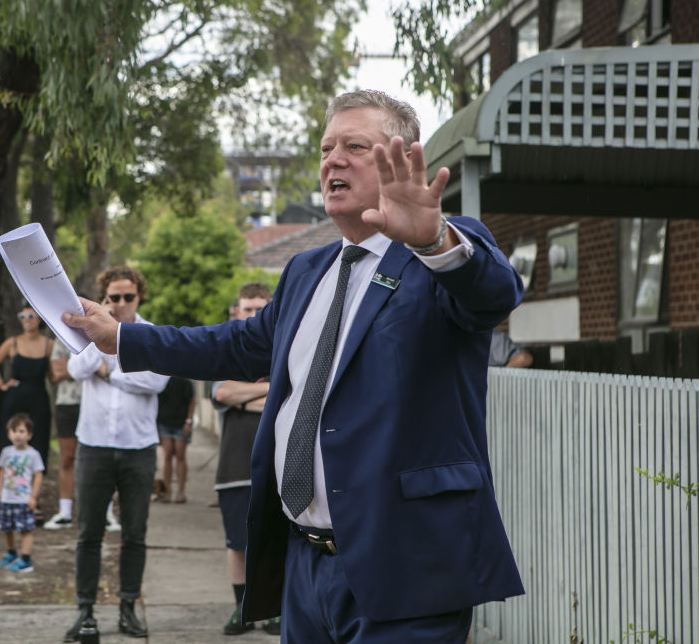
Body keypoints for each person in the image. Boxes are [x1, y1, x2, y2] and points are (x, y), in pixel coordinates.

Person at [65, 89, 526, 642]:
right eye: (327, 147)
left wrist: (432, 239)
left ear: (401, 159)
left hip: (408, 563)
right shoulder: (307, 270)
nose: (332, 159)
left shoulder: (443, 254)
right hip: (305, 566)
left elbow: (495, 294)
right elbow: (232, 346)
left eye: (354, 146)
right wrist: (123, 337)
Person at [62, 266, 169, 642]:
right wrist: (99, 338)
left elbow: (156, 381)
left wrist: (111, 371)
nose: (121, 304)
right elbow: (75, 370)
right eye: (113, 298)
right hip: (93, 446)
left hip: (138, 448)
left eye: (128, 297)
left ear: (139, 297)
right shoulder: (85, 330)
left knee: (135, 533)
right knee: (89, 533)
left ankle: (127, 608)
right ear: (104, 297)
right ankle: (85, 611)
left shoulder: (151, 333)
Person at [209, 282, 279, 636]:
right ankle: (243, 609)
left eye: (259, 308)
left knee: (283, 540)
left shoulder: (288, 347)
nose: (252, 315)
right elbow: (222, 391)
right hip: (235, 466)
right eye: (246, 308)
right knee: (237, 543)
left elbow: (305, 390)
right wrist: (276, 387)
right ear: (236, 311)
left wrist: (246, 396)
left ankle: (279, 609)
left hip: (283, 467)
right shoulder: (229, 352)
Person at [0, 303, 54, 472]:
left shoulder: (49, 345)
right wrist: (2, 384)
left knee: (38, 440)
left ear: (39, 319)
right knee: (11, 440)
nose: (26, 320)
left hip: (38, 398)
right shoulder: (12, 343)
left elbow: (53, 376)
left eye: (30, 316)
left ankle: (33, 486)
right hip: (15, 398)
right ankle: (10, 483)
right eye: (22, 316)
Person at [0, 413, 45, 574]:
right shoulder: (6, 452)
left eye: (22, 431)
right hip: (7, 498)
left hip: (23, 499)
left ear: (29, 435)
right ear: (9, 434)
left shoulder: (33, 454)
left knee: (25, 530)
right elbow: (2, 471)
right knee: (7, 528)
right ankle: (11, 553)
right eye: (14, 431)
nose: (18, 435)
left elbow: (38, 475)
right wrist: (0, 489)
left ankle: (25, 559)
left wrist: (33, 497)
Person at [44, 337, 82, 530]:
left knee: (100, 459)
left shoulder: (100, 335)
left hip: (94, 404)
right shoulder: (63, 338)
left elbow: (108, 368)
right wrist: (90, 369)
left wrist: (71, 367)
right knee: (67, 458)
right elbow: (57, 372)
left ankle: (106, 513)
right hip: (67, 404)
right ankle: (65, 512)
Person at [155, 375, 195, 504]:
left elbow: (192, 400)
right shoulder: (159, 378)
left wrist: (188, 421)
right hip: (164, 423)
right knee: (167, 455)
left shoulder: (184, 378)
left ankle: (181, 492)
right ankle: (167, 491)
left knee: (180, 456)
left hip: (181, 423)